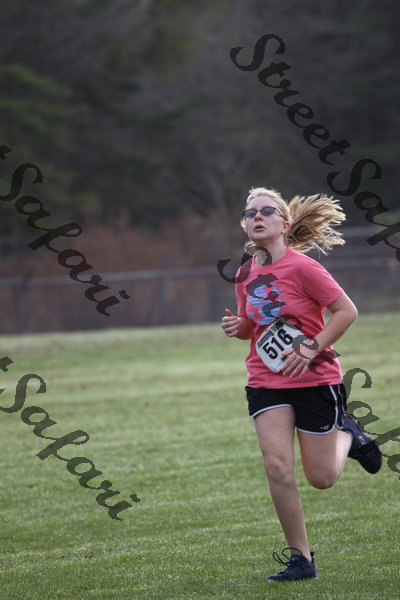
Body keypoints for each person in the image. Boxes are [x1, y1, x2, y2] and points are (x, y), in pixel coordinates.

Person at [220, 187, 382, 583]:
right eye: (250, 213)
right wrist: (238, 327)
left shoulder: (304, 268)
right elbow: (251, 325)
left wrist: (312, 347)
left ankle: (349, 434)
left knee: (321, 479)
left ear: (284, 223)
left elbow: (346, 312)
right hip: (266, 380)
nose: (257, 217)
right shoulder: (244, 273)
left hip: (315, 379)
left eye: (266, 211)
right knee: (277, 467)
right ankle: (301, 559)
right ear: (245, 224)